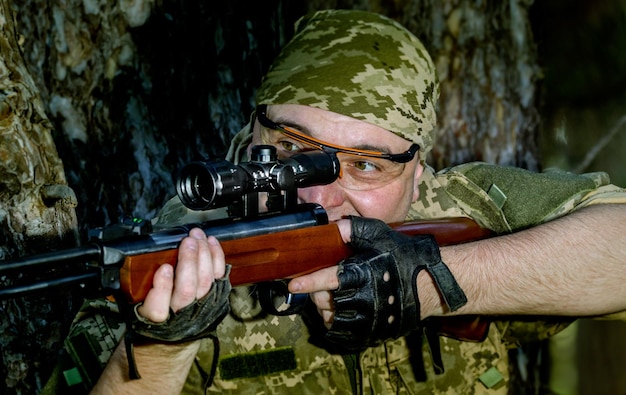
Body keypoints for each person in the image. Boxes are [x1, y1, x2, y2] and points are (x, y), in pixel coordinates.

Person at [42, 9, 626, 394]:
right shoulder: (170, 258)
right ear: (250, 140)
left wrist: (429, 283)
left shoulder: (467, 206)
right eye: (291, 152)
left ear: (417, 174)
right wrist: (159, 347)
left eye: (366, 165)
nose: (319, 193)